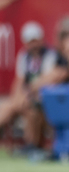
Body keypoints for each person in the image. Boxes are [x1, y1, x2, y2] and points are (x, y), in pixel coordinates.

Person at [0, 22, 57, 150]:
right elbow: (19, 82)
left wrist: (27, 95)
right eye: (30, 42)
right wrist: (17, 99)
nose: (33, 45)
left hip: (41, 99)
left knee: (31, 110)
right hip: (27, 97)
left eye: (35, 41)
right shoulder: (24, 56)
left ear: (41, 39)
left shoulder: (50, 55)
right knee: (7, 107)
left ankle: (31, 146)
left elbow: (47, 82)